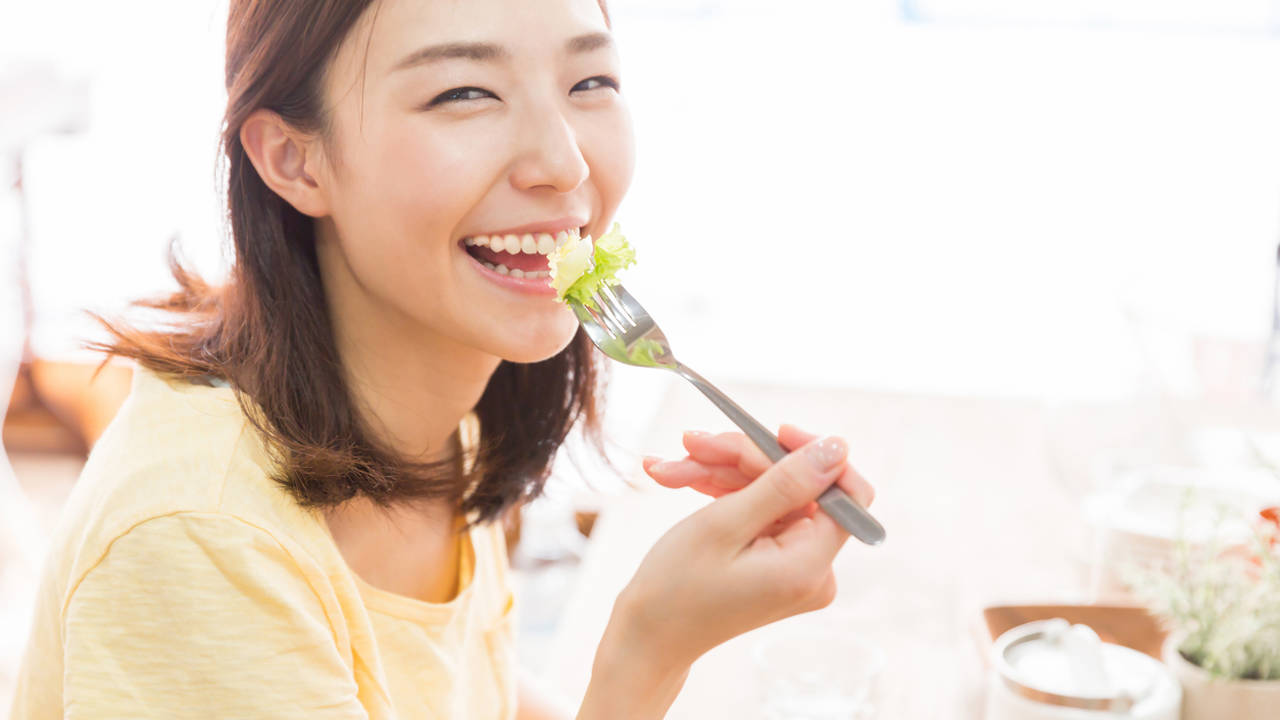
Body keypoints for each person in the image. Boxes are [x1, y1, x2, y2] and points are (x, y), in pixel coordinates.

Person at [6, 0, 876, 717]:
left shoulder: (429, 391)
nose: (563, 163)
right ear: (293, 159)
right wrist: (647, 650)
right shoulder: (198, 542)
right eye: (464, 93)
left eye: (590, 80)